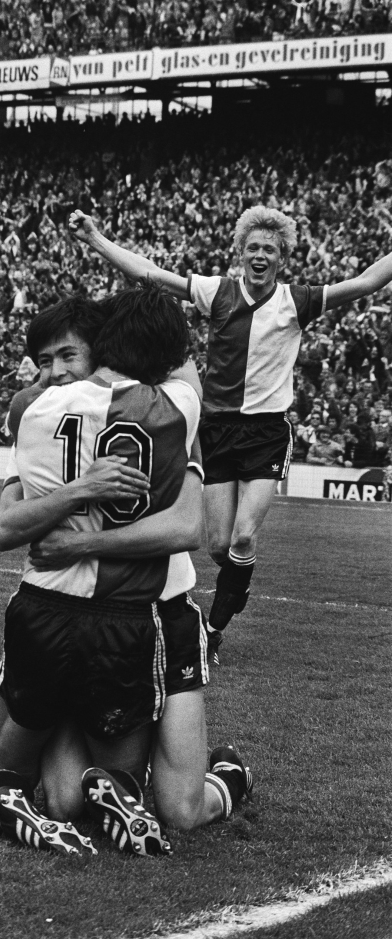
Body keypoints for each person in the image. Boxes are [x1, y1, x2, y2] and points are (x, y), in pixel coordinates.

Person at [0, 288, 252, 858]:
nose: (54, 371)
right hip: (128, 614)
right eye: (45, 359)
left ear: (101, 349)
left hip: (115, 610)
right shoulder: (174, 408)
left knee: (75, 790)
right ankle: (146, 786)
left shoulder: (28, 410)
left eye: (68, 356)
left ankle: (177, 781)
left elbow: (183, 529)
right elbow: (189, 528)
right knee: (87, 794)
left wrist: (80, 544)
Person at [69, 205, 392, 664]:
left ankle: (213, 631)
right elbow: (152, 274)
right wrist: (96, 239)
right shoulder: (217, 292)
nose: (261, 254)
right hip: (217, 428)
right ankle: (235, 583)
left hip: (266, 433)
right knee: (220, 545)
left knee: (242, 538)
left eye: (271, 249)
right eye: (254, 247)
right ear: (240, 253)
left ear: (282, 257)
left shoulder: (297, 300)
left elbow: (365, 283)